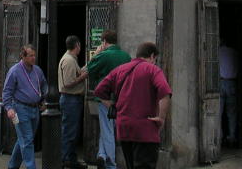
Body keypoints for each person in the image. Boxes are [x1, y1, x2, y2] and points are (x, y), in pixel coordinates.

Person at [94, 42, 172, 169]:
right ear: (152, 56)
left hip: (124, 129)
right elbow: (165, 93)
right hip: (145, 130)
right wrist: (161, 118)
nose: (155, 62)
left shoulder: (120, 70)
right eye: (155, 59)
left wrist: (111, 106)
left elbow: (99, 90)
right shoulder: (153, 70)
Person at [85, 30, 131, 169]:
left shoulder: (104, 55)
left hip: (105, 99)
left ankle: (111, 163)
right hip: (122, 99)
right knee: (108, 129)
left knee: (107, 130)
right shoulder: (126, 56)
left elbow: (89, 69)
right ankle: (102, 155)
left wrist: (97, 54)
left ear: (104, 42)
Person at [3, 44, 48, 169]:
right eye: (30, 56)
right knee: (27, 140)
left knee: (24, 139)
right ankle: (31, 166)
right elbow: (7, 91)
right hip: (20, 108)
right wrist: (9, 108)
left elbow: (44, 85)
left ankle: (12, 166)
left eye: (34, 55)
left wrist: (44, 100)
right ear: (23, 56)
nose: (34, 58)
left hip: (35, 108)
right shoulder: (14, 71)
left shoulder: (37, 70)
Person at [59, 35, 88, 169]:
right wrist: (83, 77)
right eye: (79, 46)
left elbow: (77, 73)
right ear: (76, 45)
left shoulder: (70, 59)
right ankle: (65, 160)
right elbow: (68, 83)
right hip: (70, 99)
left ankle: (71, 159)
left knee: (72, 131)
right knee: (69, 131)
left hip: (72, 99)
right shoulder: (69, 60)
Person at [217, 41, 239, 147]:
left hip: (220, 82)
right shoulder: (234, 52)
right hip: (232, 82)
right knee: (232, 113)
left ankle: (219, 136)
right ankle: (232, 136)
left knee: (219, 112)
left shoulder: (217, 52)